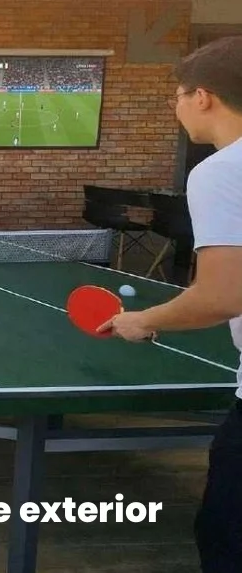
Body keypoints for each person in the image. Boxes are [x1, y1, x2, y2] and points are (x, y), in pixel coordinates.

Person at [97, 35, 242, 572]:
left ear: (202, 97)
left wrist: (143, 319)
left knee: (225, 541)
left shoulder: (221, 171)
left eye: (178, 95)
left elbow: (223, 295)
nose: (175, 106)